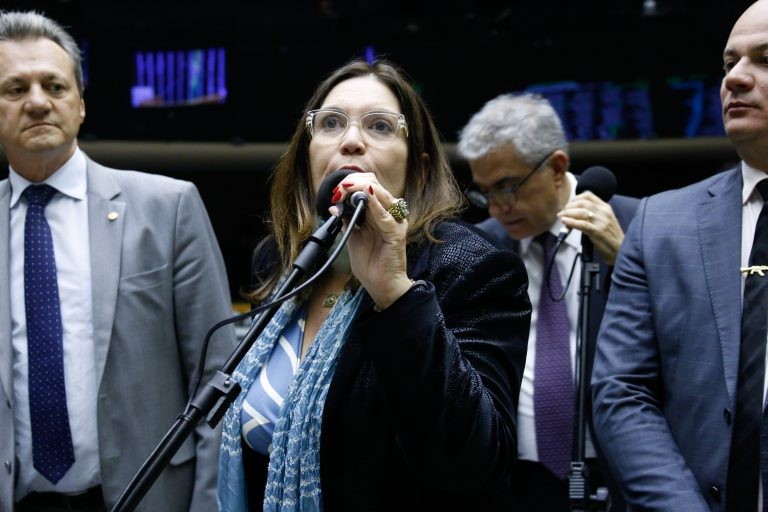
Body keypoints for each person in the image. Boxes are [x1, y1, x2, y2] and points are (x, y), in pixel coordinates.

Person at [216, 59, 531, 511]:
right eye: (330, 124)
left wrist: (395, 293)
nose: (350, 141)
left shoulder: (473, 268)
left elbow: (470, 464)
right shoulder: (284, 261)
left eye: (380, 126)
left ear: (418, 169)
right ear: (308, 155)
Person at [0, 11, 235, 512]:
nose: (37, 102)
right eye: (15, 88)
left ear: (80, 105)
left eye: (54, 85)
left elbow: (219, 377)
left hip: (147, 500)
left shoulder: (168, 208)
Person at [591, 1, 768, 510]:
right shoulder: (660, 222)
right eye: (728, 63)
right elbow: (621, 391)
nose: (735, 78)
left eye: (764, 58)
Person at [457, 93, 638, 511]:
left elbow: (688, 343)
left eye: (507, 187)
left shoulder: (638, 225)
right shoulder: (479, 245)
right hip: (514, 476)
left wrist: (626, 261)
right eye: (486, 193)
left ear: (557, 167)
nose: (499, 207)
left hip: (619, 467)